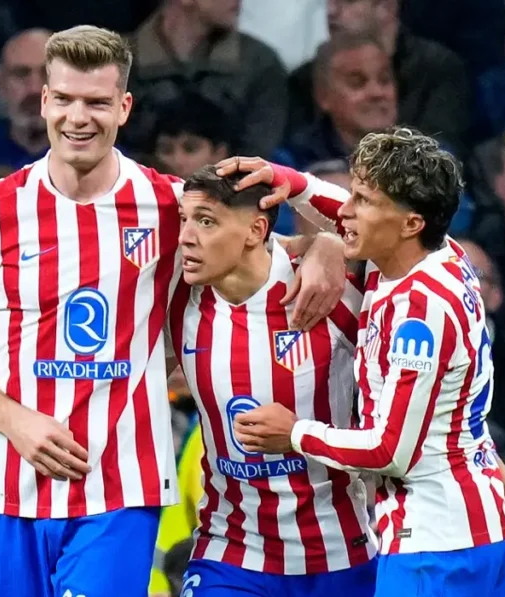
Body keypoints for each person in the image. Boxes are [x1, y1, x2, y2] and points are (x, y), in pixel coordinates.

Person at [0, 25, 346, 597]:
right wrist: (13, 421)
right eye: (65, 99)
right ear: (44, 100)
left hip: (121, 487)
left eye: (97, 103)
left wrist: (326, 246)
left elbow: (269, 246)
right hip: (15, 485)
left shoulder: (170, 204)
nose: (79, 118)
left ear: (124, 108)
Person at [215, 128, 505, 596]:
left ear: (410, 223)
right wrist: (289, 181)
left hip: (436, 547)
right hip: (473, 524)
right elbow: (453, 426)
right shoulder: (436, 254)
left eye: (364, 201)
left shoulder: (420, 314)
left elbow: (390, 451)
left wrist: (293, 433)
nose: (346, 212)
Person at [170, 166, 376, 595]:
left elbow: (386, 233)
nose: (186, 236)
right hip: (231, 551)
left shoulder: (330, 292)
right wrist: (322, 241)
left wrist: (326, 238)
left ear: (256, 230)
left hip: (340, 551)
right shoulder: (177, 300)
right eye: (184, 219)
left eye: (205, 221)